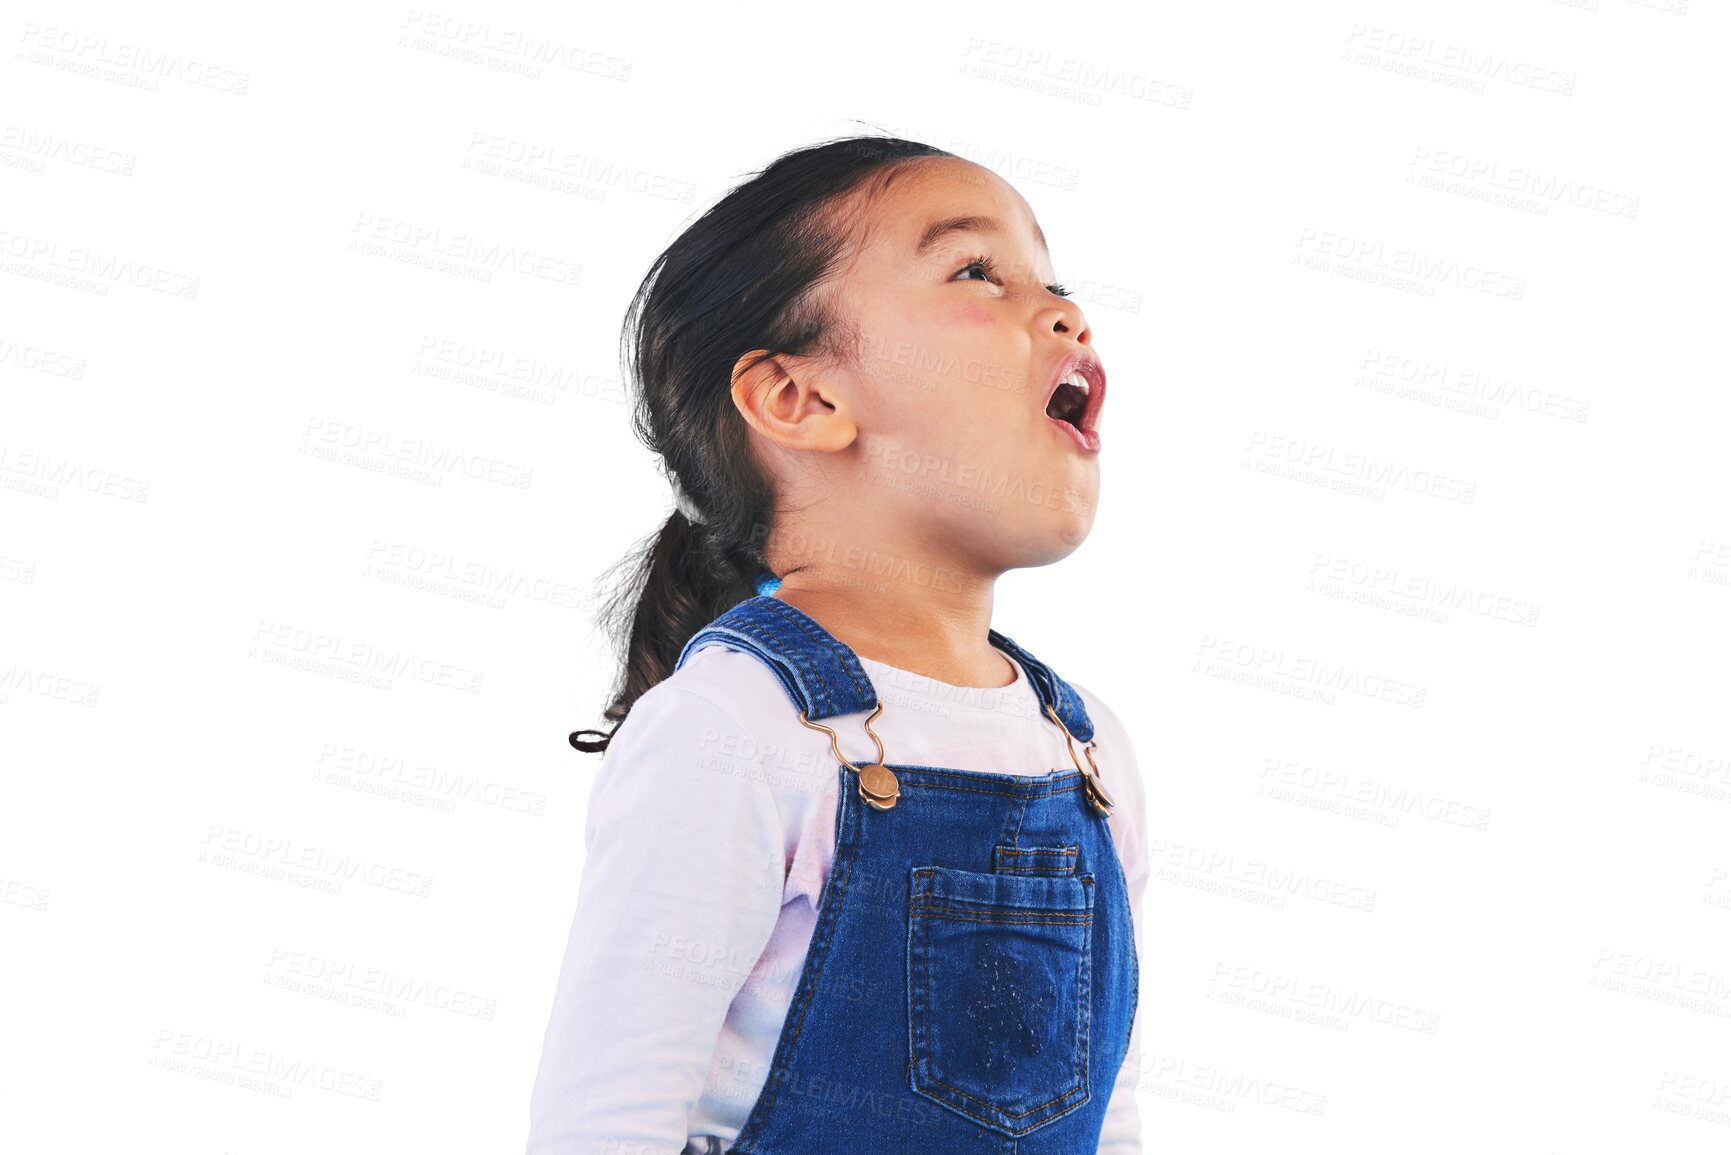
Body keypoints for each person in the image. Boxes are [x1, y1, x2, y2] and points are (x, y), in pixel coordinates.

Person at [527, 132, 1147, 1154]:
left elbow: (1107, 1115)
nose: (1063, 310)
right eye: (977, 272)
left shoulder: (1085, 752)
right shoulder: (735, 727)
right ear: (800, 400)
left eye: (1055, 281)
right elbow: (607, 1120)